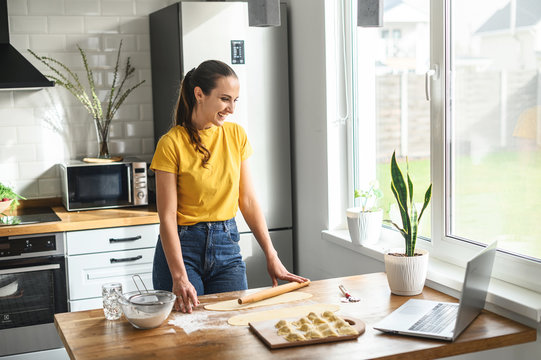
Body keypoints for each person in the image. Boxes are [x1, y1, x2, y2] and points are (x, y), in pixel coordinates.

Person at [150, 60, 308, 313]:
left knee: (233, 335)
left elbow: (247, 201)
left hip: (227, 246)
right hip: (183, 249)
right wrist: (179, 276)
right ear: (199, 94)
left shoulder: (236, 135)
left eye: (235, 100)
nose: (231, 109)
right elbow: (167, 217)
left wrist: (271, 253)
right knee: (188, 336)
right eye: (225, 99)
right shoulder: (171, 144)